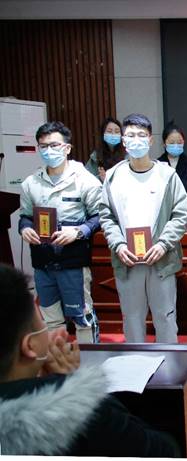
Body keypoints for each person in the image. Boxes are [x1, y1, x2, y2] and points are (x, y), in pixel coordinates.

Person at [0, 264, 180, 457]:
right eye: (42, 321)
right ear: (30, 346)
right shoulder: (82, 414)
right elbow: (166, 451)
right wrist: (78, 390)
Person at [99, 113, 187, 343]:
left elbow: (180, 214)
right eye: (130, 135)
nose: (136, 140)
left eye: (141, 135)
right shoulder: (113, 177)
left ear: (150, 140)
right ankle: (136, 363)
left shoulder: (167, 175)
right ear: (123, 140)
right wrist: (118, 245)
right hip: (127, 261)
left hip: (161, 260)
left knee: (165, 318)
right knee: (132, 319)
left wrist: (163, 244)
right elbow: (106, 216)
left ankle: (169, 364)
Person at [18, 121, 101, 343]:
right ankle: (57, 360)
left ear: (67, 148)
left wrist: (79, 232)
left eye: (54, 145)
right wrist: (25, 228)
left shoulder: (85, 180)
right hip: (43, 262)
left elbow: (99, 216)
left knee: (82, 317)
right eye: (43, 146)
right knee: (50, 319)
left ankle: (89, 361)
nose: (49, 151)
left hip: (73, 261)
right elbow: (25, 216)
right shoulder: (30, 183)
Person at [157, 121, 187, 193]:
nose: (176, 145)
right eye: (172, 142)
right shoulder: (158, 164)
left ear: (183, 142)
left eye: (179, 142)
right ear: (164, 143)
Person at [85, 117, 126, 182]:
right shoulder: (96, 156)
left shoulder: (128, 154)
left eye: (117, 131)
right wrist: (101, 179)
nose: (113, 134)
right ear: (103, 134)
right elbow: (87, 179)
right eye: (109, 131)